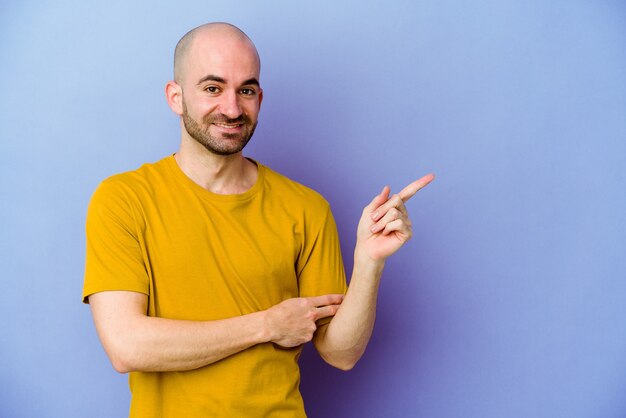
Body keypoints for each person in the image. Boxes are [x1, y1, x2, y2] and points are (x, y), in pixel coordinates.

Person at [83, 22, 434, 417]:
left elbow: (340, 354)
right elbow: (126, 346)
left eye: (245, 90)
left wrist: (369, 263)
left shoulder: (306, 208)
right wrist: (266, 326)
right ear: (176, 97)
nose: (232, 109)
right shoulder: (124, 200)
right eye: (213, 88)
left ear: (260, 98)